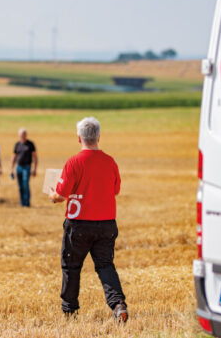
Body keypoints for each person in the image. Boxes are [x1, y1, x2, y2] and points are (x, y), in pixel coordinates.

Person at [49, 117, 128, 322]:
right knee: (105, 266)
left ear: (79, 139)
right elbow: (116, 191)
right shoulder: (110, 162)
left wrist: (52, 196)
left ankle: (70, 311)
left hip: (79, 224)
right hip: (107, 224)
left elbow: (61, 195)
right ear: (99, 137)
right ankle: (118, 305)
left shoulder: (74, 162)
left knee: (71, 266)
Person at [10, 128, 38, 207]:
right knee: (20, 186)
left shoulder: (30, 144)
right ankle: (22, 203)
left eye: (24, 134)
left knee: (26, 184)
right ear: (19, 135)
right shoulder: (17, 144)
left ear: (26, 135)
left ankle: (27, 203)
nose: (23, 136)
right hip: (18, 167)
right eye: (21, 135)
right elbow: (14, 157)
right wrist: (11, 169)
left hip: (27, 167)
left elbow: (35, 157)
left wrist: (34, 169)